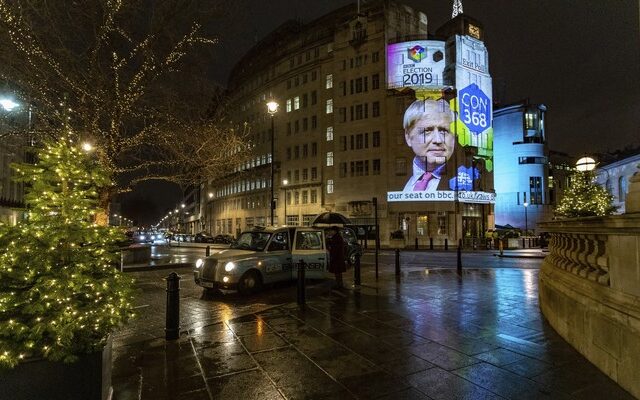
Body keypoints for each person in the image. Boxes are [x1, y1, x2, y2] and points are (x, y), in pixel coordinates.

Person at [402, 99, 456, 192]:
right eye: (427, 131)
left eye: (444, 130)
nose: (438, 140)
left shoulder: (464, 180)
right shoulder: (395, 181)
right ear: (408, 137)